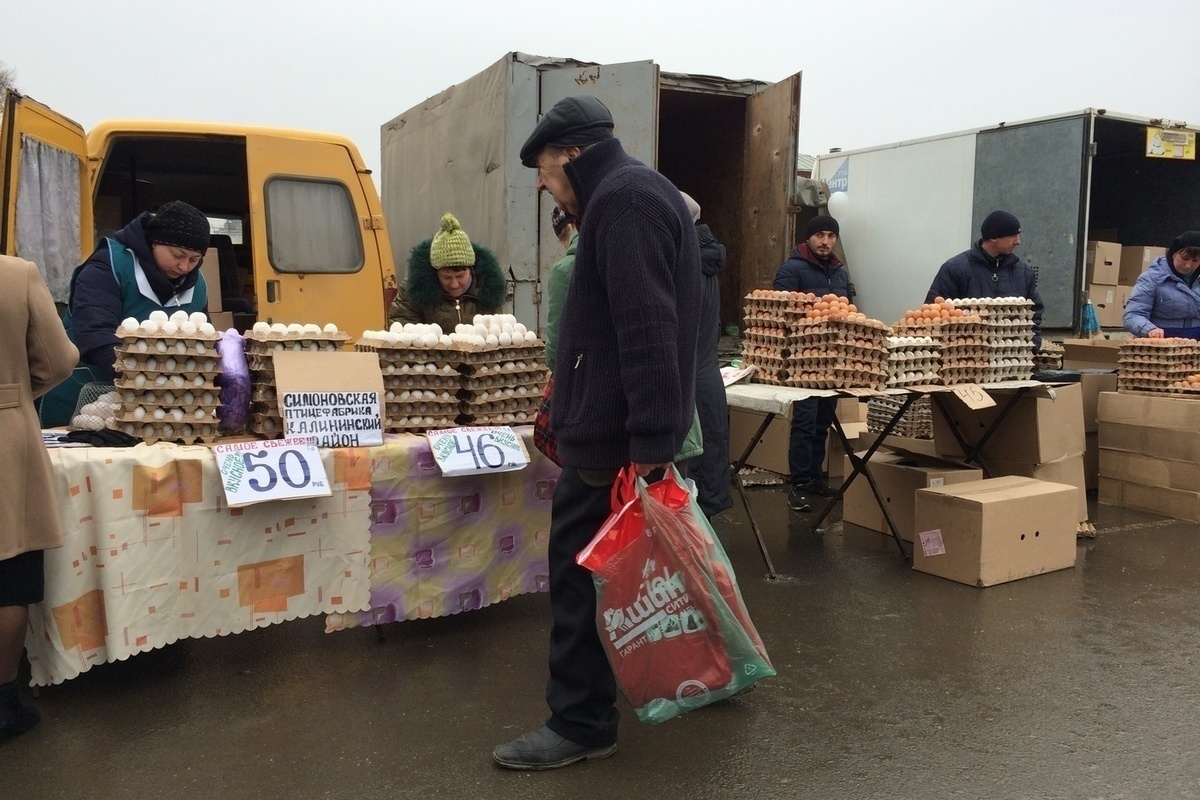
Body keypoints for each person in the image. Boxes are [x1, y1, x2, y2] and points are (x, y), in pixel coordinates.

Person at [495, 94, 700, 771]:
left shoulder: (625, 201)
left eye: (547, 170)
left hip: (611, 446)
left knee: (579, 579)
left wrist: (647, 448)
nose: (542, 184)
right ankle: (627, 695)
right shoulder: (631, 193)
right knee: (612, 577)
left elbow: (648, 330)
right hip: (611, 436)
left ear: (574, 156)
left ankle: (581, 722)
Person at [41, 201, 211, 426]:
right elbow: (95, 332)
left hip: (161, 408)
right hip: (84, 394)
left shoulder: (196, 286)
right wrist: (142, 378)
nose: (184, 267)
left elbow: (202, 343)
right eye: (177, 254)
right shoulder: (110, 264)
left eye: (194, 259)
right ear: (154, 242)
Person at [0, 255, 78, 736]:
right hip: (6, 435)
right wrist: (18, 394)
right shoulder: (15, 274)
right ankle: (4, 701)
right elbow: (59, 358)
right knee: (9, 575)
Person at [773, 214, 851, 512]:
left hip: (832, 360)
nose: (826, 241)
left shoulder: (839, 272)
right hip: (804, 360)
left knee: (822, 420)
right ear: (809, 238)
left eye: (831, 236)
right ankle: (799, 483)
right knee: (805, 421)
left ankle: (815, 478)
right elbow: (780, 314)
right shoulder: (792, 270)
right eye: (820, 235)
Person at [681, 192, 732, 519]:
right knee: (706, 474)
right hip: (707, 381)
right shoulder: (706, 259)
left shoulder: (687, 264)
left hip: (690, 389)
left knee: (692, 489)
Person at [925, 210, 1045, 343]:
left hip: (1011, 356)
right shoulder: (955, 269)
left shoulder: (1023, 273)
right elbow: (935, 313)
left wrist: (1032, 344)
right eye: (1013, 236)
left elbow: (1035, 312)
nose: (1018, 242)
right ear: (993, 237)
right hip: (969, 354)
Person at [387, 213, 504, 329]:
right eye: (446, 277)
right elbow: (403, 329)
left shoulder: (488, 288)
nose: (454, 284)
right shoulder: (414, 290)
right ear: (435, 272)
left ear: (471, 269)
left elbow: (497, 331)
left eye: (460, 276)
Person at [1123, 232, 1200, 339]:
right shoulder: (1152, 278)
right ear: (1173, 254)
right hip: (1159, 346)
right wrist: (1149, 329)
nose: (1188, 265)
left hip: (1195, 348)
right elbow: (1132, 315)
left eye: (1195, 261)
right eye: (1184, 259)